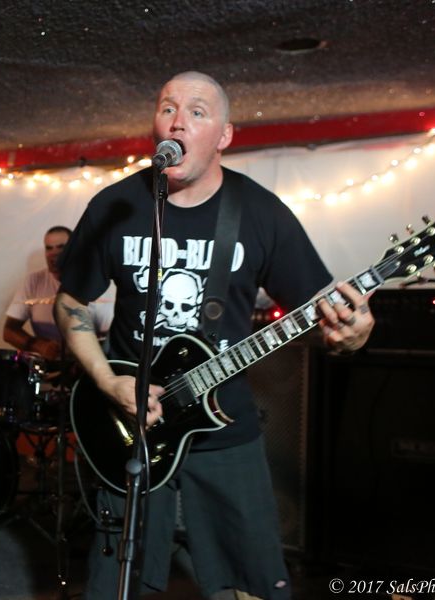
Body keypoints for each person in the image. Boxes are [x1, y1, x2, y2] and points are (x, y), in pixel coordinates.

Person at [54, 71, 374, 599]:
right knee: (116, 584)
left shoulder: (261, 214)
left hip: (224, 427)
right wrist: (108, 382)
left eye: (197, 112)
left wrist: (354, 334)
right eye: (167, 108)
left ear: (224, 135)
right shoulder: (115, 206)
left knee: (254, 583)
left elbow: (328, 318)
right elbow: (71, 303)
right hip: (131, 423)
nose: (178, 122)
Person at [4, 225, 111, 361]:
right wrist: (37, 345)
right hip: (47, 366)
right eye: (49, 248)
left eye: (61, 247)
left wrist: (79, 353)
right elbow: (9, 331)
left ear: (75, 248)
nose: (53, 253)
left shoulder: (96, 282)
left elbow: (110, 339)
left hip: (87, 366)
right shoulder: (33, 281)